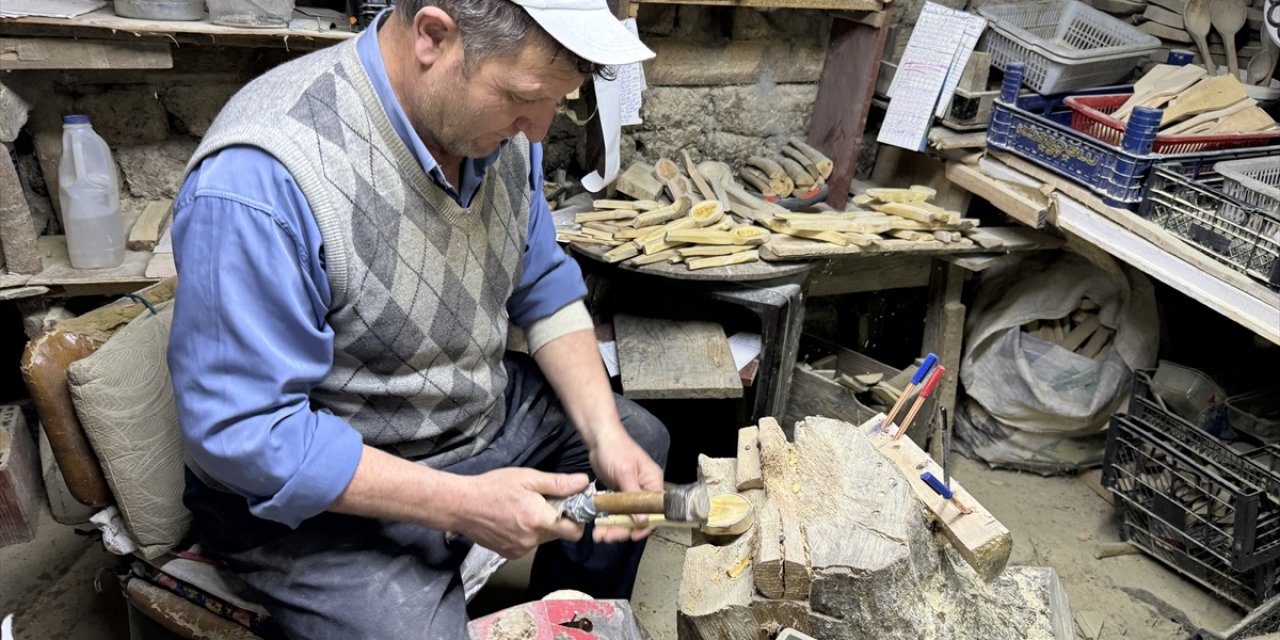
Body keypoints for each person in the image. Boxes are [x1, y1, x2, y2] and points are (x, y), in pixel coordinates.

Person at [165, 0, 668, 636]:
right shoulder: (262, 179)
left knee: (635, 443)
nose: (538, 130)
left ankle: (568, 619)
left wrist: (605, 438)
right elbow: (247, 434)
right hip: (324, 494)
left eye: (557, 102)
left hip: (468, 420)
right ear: (434, 36)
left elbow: (541, 285)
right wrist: (463, 505)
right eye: (521, 96)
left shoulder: (502, 135)